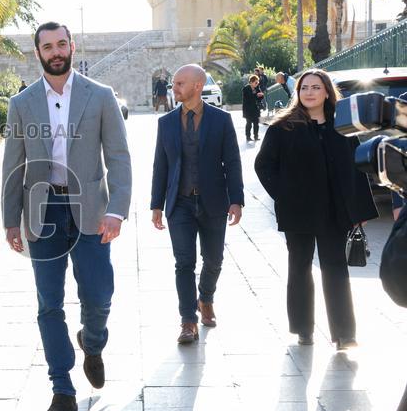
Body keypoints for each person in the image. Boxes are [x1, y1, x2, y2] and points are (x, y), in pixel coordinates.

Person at [1, 21, 132, 411]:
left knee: (99, 295)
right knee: (48, 303)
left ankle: (92, 344)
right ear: (37, 52)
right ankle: (62, 387)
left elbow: (119, 156)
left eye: (61, 44)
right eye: (47, 46)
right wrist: (9, 220)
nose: (55, 52)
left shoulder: (101, 97)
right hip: (43, 213)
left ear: (72, 46)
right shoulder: (21, 104)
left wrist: (117, 209)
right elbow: (13, 164)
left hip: (91, 210)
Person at [254, 69, 378, 350]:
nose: (309, 92)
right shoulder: (283, 127)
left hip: (335, 212)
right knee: (299, 267)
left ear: (326, 92)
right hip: (298, 212)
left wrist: (359, 211)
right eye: (304, 88)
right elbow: (263, 165)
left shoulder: (343, 126)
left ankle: (345, 334)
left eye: (315, 87)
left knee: (335, 269)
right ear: (297, 93)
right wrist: (283, 195)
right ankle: (303, 329)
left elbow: (356, 168)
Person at [151, 64, 244, 344]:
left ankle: (205, 298)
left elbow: (233, 161)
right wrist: (156, 204)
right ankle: (187, 321)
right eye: (174, 83)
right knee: (184, 263)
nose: (174, 87)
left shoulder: (220, 120)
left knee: (214, 260)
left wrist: (236, 200)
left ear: (197, 86)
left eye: (180, 83)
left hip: (213, 201)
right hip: (179, 204)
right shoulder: (166, 123)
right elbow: (161, 165)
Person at [242, 74, 264, 142]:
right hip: (248, 110)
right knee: (249, 124)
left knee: (256, 123)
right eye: (256, 82)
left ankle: (256, 136)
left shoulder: (257, 88)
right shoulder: (245, 89)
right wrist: (256, 95)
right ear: (251, 82)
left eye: (258, 83)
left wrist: (261, 95)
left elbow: (260, 98)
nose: (257, 84)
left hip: (255, 109)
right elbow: (248, 98)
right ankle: (248, 137)